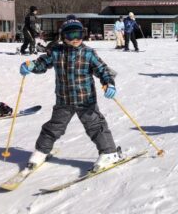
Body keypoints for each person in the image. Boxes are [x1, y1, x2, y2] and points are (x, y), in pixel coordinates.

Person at [19, 18, 121, 171]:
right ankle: (41, 151)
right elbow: (42, 64)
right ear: (63, 36)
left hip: (85, 100)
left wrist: (109, 83)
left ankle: (109, 153)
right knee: (53, 127)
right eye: (71, 35)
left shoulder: (88, 53)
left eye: (79, 35)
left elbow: (103, 70)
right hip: (64, 101)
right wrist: (31, 65)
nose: (75, 39)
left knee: (95, 126)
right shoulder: (56, 52)